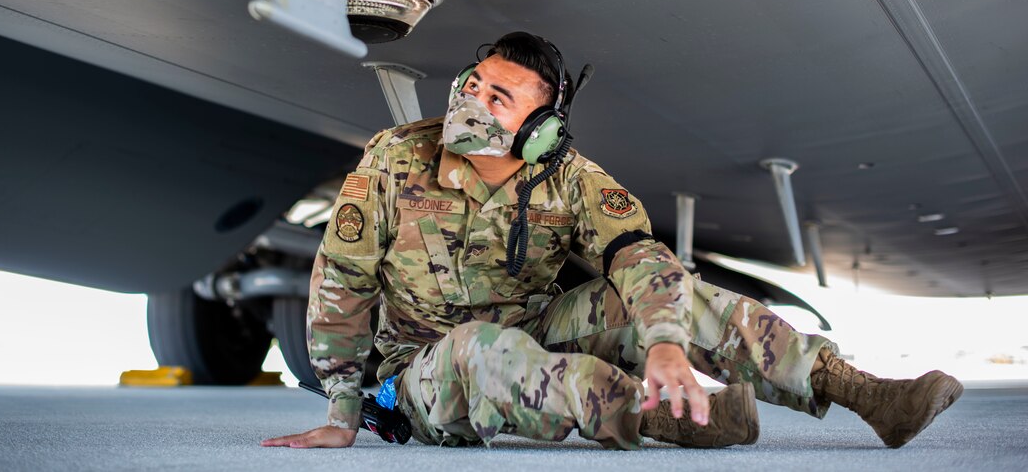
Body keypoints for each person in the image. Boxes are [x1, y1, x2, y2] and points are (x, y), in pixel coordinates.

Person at [262, 32, 962, 451]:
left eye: (497, 98)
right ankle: (665, 417)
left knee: (665, 298)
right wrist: (343, 411)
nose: (470, 101)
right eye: (472, 84)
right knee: (483, 351)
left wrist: (662, 336)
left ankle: (866, 395)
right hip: (420, 370)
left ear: (538, 130)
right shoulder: (394, 158)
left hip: (530, 329)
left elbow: (637, 255)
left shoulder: (570, 177)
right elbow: (341, 280)